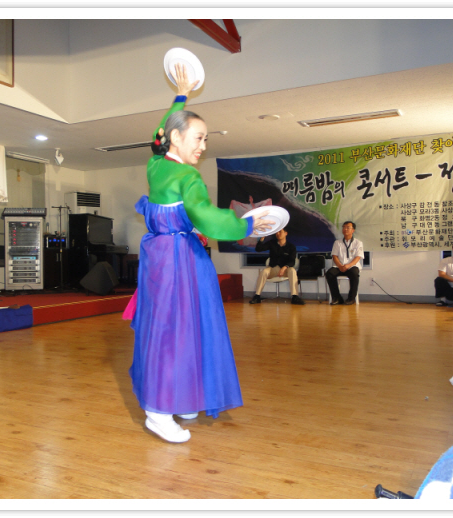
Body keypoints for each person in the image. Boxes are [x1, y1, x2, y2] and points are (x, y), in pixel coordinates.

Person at [126, 64, 272, 443]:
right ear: (176, 138)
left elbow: (159, 133)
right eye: (199, 137)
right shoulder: (187, 177)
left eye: (206, 139)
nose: (204, 146)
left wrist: (181, 95)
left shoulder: (156, 165)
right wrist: (246, 225)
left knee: (172, 329)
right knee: (176, 330)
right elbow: (208, 217)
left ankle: (181, 396)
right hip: (179, 262)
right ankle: (158, 412)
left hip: (162, 260)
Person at [249, 227, 304, 305]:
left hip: (285, 270)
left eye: (280, 232)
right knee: (264, 271)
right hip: (273, 269)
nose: (278, 234)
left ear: (286, 233)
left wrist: (284, 267)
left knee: (292, 271)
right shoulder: (272, 243)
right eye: (277, 232)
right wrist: (262, 238)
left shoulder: (291, 246)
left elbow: (292, 261)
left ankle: (295, 297)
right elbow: (258, 249)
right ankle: (257, 296)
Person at [325, 221, 363, 305]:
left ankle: (351, 298)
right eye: (344, 227)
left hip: (352, 266)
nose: (345, 229)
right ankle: (337, 298)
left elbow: (358, 257)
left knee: (354, 273)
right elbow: (334, 256)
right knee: (329, 273)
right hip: (339, 266)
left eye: (348, 227)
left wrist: (348, 265)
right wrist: (340, 266)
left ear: (353, 230)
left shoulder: (358, 243)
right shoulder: (337, 242)